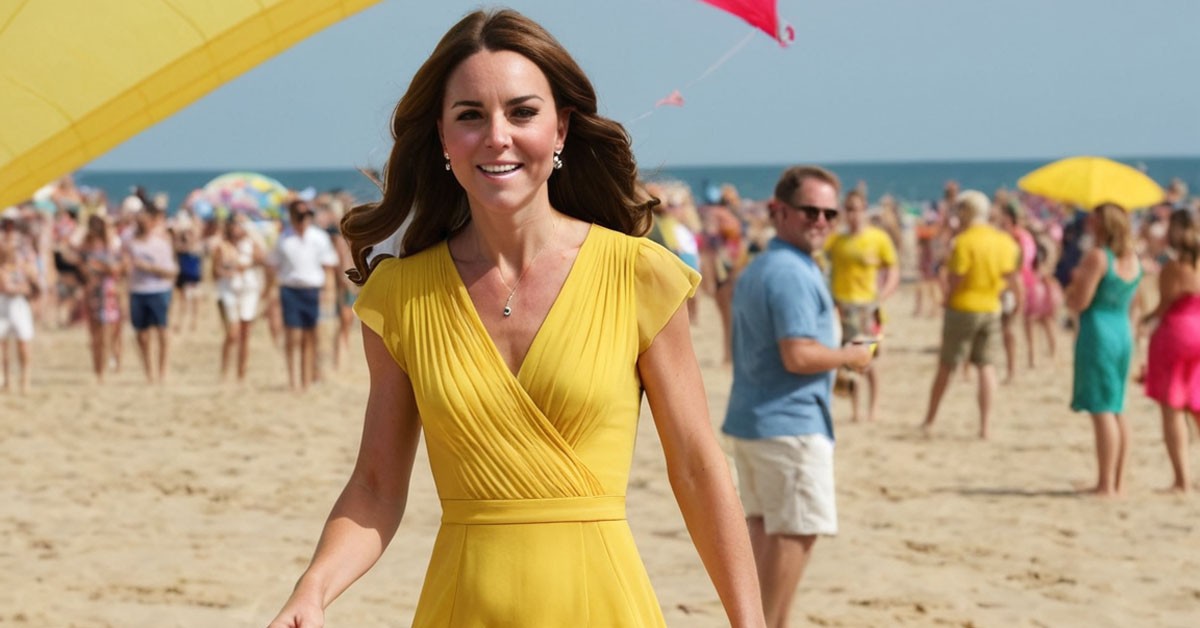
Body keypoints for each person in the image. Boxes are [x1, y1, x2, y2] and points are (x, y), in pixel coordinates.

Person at [267, 10, 764, 628]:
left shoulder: (638, 275)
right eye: (470, 115)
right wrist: (313, 589)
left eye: (522, 112)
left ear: (561, 129)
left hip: (604, 607)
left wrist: (750, 621)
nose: (497, 136)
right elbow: (375, 486)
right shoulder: (399, 297)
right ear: (443, 138)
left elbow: (696, 466)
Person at [722, 165, 873, 628]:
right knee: (796, 531)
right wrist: (851, 356)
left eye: (830, 213)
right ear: (781, 211)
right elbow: (798, 354)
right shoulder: (789, 271)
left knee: (766, 527)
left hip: (756, 419)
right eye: (810, 211)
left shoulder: (764, 265)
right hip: (788, 424)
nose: (821, 221)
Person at [920, 190, 1021, 439]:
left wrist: (946, 298)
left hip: (963, 306)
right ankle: (985, 427)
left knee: (947, 365)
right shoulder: (1003, 241)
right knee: (986, 366)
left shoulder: (963, 242)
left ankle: (930, 419)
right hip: (991, 306)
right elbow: (1011, 277)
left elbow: (957, 278)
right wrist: (1016, 301)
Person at [1064, 203, 1142, 497]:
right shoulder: (1132, 258)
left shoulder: (1098, 257)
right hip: (1122, 329)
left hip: (1098, 329)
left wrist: (1073, 286)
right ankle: (1117, 481)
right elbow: (1135, 302)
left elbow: (1080, 302)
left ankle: (1106, 484)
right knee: (1117, 405)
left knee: (1102, 408)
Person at [824, 188, 899, 422]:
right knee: (848, 361)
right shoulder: (837, 240)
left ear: (864, 210)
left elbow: (892, 269)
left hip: (868, 308)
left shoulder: (878, 238)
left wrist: (883, 295)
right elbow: (819, 260)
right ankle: (856, 410)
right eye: (848, 209)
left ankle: (873, 408)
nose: (853, 214)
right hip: (842, 307)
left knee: (869, 360)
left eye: (856, 209)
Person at [1140, 209, 1200, 493]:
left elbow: (1164, 305)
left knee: (1173, 407)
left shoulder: (1174, 267)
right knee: (1197, 404)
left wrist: (1144, 320)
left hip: (1177, 332)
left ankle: (1182, 480)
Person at [266, 200, 338, 392]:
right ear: (291, 216)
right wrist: (271, 292)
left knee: (310, 336)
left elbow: (329, 267)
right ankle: (293, 380)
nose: (303, 219)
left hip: (312, 290)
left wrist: (328, 292)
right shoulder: (284, 238)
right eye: (299, 215)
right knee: (293, 336)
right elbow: (272, 265)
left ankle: (306, 381)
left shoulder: (319, 237)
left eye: (307, 215)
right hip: (290, 290)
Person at [123, 205, 178, 384]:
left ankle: (162, 371)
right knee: (142, 335)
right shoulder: (129, 242)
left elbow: (171, 272)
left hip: (159, 290)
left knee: (162, 331)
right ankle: (149, 372)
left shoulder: (161, 244)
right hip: (137, 291)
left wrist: (149, 268)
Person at [211, 213, 266, 382]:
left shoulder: (250, 244)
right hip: (229, 291)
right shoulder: (222, 246)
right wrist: (229, 271)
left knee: (245, 333)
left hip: (248, 290)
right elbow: (214, 271)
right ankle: (225, 370)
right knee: (232, 333)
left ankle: (241, 373)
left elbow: (262, 259)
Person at [0, 239, 37, 393]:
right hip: (3, 307)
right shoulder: (3, 269)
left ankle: (25, 380)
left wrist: (23, 287)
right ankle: (7, 381)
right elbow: (6, 287)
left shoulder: (24, 268)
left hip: (19, 308)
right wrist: (21, 288)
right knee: (3, 347)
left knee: (23, 344)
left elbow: (33, 286)